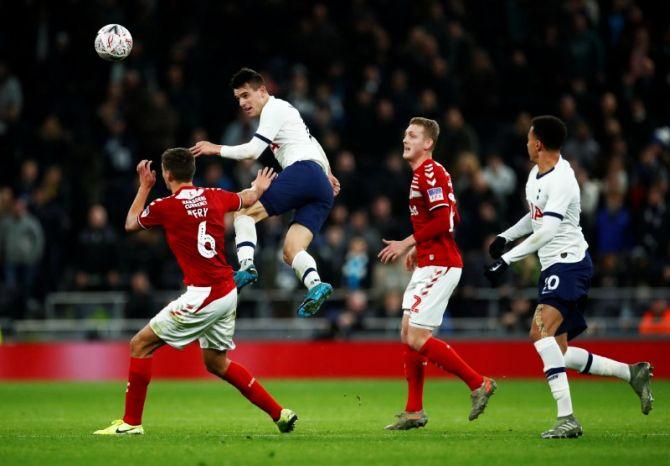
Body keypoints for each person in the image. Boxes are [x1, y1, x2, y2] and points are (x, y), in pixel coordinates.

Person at [94, 149, 297, 435]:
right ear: (191, 172)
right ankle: (280, 414)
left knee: (140, 344)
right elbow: (247, 198)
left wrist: (144, 187)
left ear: (166, 174)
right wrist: (258, 187)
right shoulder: (214, 194)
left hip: (205, 293)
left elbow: (130, 223)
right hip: (227, 290)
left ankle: (131, 423)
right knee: (217, 362)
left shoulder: (166, 205)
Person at [484, 115, 654, 439]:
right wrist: (506, 236)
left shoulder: (563, 179)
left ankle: (568, 419)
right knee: (558, 351)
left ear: (539, 143)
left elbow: (548, 229)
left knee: (539, 331)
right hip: (554, 267)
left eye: (528, 138)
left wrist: (507, 260)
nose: (526, 143)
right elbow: (536, 216)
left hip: (569, 263)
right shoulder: (535, 175)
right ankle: (631, 373)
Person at [378, 117, 496, 430]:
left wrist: (407, 243)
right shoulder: (427, 174)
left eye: (413, 135)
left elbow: (444, 220)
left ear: (428, 143)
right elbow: (451, 214)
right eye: (405, 134)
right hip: (429, 259)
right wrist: (420, 247)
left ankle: (478, 383)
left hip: (441, 264)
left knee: (417, 336)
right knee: (407, 332)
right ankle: (414, 410)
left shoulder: (429, 172)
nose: (406, 139)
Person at [191, 68, 339, 317]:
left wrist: (214, 148)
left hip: (303, 171)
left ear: (262, 91)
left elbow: (252, 151)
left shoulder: (274, 109)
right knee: (291, 251)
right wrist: (329, 173)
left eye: (246, 95)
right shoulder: (286, 112)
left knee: (243, 211)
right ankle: (316, 284)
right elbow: (312, 141)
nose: (243, 103)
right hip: (319, 184)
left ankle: (246, 266)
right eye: (238, 98)